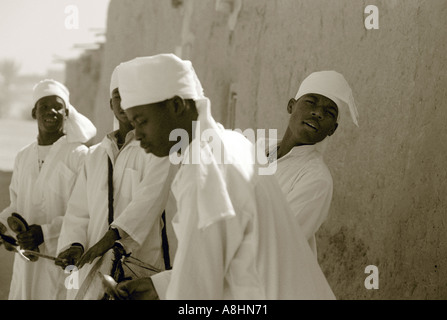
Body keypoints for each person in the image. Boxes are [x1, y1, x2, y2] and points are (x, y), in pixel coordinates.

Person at [113, 53, 335, 300]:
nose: (137, 133)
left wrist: (168, 288)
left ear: (176, 105)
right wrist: (160, 286)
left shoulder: (207, 168)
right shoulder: (230, 145)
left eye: (141, 121)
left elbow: (198, 292)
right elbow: (211, 260)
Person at [55, 65, 176, 299]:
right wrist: (75, 244)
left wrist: (110, 239)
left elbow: (149, 200)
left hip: (138, 265)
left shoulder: (159, 149)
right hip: (94, 266)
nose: (123, 103)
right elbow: (79, 212)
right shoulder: (95, 155)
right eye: (117, 96)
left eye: (131, 95)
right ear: (111, 104)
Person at [0, 79, 96, 300]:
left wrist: (44, 232)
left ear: (67, 112)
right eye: (44, 106)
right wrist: (4, 225)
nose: (51, 111)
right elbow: (17, 204)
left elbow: (85, 211)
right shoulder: (23, 156)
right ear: (34, 112)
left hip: (59, 258)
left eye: (57, 106)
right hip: (26, 259)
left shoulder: (80, 155)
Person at [265, 71, 359, 255]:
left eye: (329, 112)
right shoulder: (256, 149)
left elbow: (277, 241)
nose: (318, 113)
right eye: (311, 102)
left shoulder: (315, 180)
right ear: (291, 106)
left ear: (332, 129)